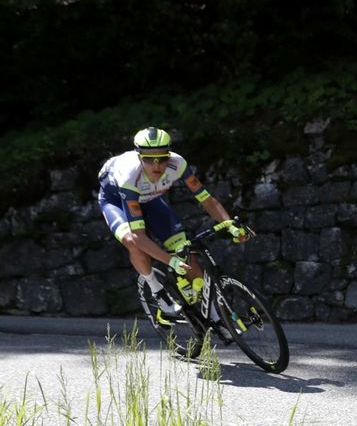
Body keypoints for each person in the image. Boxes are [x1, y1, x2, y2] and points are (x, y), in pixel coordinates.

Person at [97, 126, 248, 323]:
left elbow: (206, 199)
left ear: (169, 155)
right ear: (139, 156)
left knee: (186, 253)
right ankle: (157, 290)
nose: (157, 165)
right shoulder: (129, 175)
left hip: (150, 200)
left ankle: (214, 316)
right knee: (133, 241)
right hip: (116, 200)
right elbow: (139, 236)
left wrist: (229, 225)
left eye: (162, 158)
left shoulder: (178, 164)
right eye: (149, 159)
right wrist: (171, 261)